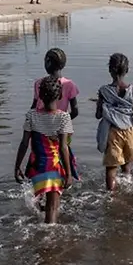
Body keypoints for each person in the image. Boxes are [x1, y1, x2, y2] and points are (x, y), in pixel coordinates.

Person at [15, 75, 74, 223]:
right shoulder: (64, 117)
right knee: (53, 208)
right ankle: (49, 234)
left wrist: (17, 167)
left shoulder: (31, 115)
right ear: (60, 96)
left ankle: (37, 222)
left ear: (40, 96)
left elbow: (24, 143)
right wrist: (68, 174)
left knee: (39, 201)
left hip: (36, 168)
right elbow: (63, 147)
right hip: (53, 167)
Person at [95, 53, 133, 192]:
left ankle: (110, 195)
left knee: (111, 168)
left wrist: (102, 106)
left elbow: (98, 115)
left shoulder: (104, 91)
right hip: (130, 132)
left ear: (110, 70)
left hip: (113, 132)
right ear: (127, 70)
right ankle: (128, 189)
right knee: (127, 166)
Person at [31, 48, 80, 181]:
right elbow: (75, 111)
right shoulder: (69, 85)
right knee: (63, 152)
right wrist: (62, 124)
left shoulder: (39, 83)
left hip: (41, 128)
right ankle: (68, 177)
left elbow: (34, 107)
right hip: (62, 128)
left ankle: (41, 182)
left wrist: (32, 124)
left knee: (41, 156)